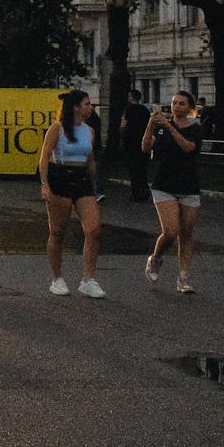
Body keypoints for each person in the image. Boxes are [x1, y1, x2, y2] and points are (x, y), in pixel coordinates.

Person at [39, 88, 105, 299]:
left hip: (82, 179)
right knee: (58, 232)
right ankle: (56, 278)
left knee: (94, 229)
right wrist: (45, 185)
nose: (90, 107)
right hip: (60, 176)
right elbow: (44, 158)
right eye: (87, 103)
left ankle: (88, 279)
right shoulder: (56, 129)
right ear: (76, 107)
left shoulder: (90, 130)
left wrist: (96, 185)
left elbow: (90, 160)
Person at [142, 91, 205, 293]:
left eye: (181, 103)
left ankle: (184, 278)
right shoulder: (160, 127)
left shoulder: (195, 128)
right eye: (174, 103)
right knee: (171, 230)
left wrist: (170, 127)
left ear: (189, 107)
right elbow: (145, 148)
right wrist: (151, 124)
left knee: (186, 233)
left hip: (188, 185)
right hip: (164, 184)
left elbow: (188, 148)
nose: (176, 107)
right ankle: (156, 258)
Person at [118, 89, 152, 202]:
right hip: (142, 141)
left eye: (129, 96)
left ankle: (136, 193)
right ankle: (145, 189)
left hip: (130, 142)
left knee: (133, 168)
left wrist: (121, 134)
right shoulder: (145, 110)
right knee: (142, 168)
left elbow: (123, 124)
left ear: (132, 97)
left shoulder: (128, 109)